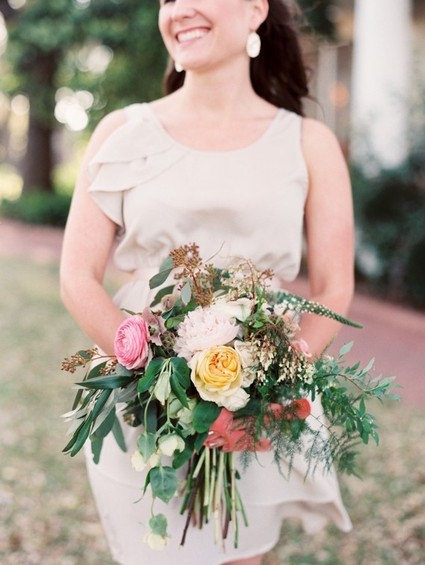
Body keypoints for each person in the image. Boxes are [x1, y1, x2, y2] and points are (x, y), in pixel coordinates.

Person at [60, 0, 355, 563]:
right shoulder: (122, 132)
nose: (179, 10)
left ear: (255, 10)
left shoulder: (309, 143)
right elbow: (77, 278)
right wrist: (159, 383)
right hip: (141, 403)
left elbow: (334, 288)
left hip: (262, 400)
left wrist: (266, 399)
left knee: (241, 554)